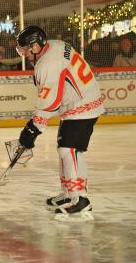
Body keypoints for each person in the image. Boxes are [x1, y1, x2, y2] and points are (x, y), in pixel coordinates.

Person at [15, 26, 105, 221]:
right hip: (78, 103)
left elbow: (51, 102)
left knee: (69, 150)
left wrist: (34, 127)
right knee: (64, 150)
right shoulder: (55, 45)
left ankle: (79, 198)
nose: (23, 53)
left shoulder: (47, 64)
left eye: (24, 49)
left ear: (36, 46)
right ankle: (67, 193)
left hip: (83, 106)